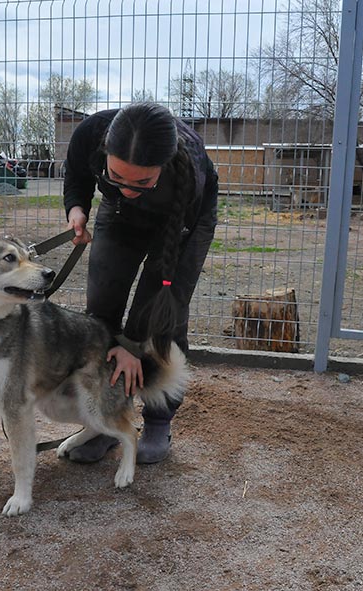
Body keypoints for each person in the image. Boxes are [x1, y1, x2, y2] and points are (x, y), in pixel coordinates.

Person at [63, 102, 218, 464]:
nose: (129, 189)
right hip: (117, 217)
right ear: (106, 153)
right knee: (100, 312)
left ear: (162, 168)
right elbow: (76, 176)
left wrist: (133, 344)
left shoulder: (188, 175)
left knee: (164, 321)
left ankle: (158, 419)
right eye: (117, 176)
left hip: (183, 219)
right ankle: (106, 420)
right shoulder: (90, 134)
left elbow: (160, 284)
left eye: (141, 181)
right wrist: (76, 209)